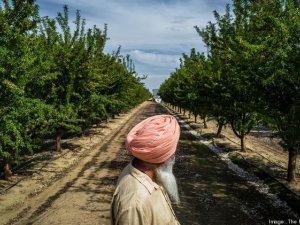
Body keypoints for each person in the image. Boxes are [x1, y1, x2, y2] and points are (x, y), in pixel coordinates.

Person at [111, 114, 181, 225]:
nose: (174, 155)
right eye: (172, 150)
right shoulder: (134, 204)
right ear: (160, 156)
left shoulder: (149, 174)